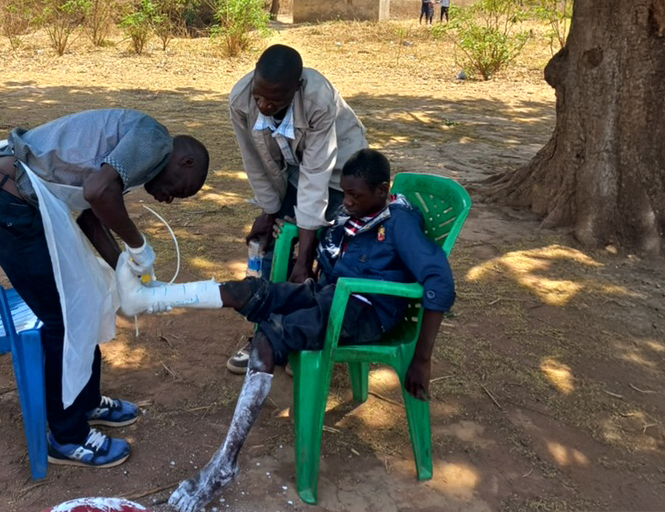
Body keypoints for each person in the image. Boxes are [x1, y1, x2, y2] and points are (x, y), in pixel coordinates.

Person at [166, 148, 456, 512]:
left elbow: (439, 284)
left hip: (361, 311)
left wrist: (422, 359)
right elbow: (329, 246)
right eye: (345, 193)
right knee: (249, 291)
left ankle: (225, 462)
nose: (346, 202)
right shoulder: (357, 214)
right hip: (329, 295)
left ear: (382, 191)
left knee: (267, 340)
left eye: (356, 196)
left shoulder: (398, 223)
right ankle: (154, 296)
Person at [0, 109, 209, 468]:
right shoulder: (154, 139)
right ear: (185, 160)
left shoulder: (134, 155)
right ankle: (67, 436)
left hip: (19, 200)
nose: (170, 199)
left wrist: (126, 271)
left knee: (90, 296)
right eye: (182, 189)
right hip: (8, 205)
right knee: (63, 319)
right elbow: (98, 192)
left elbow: (91, 214)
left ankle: (86, 400)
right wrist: (138, 245)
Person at [225, 44, 367, 373]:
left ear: (296, 88)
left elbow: (317, 177)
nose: (264, 105)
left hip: (339, 169)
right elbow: (255, 161)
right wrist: (269, 210)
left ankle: (304, 336)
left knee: (326, 252)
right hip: (295, 167)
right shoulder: (240, 100)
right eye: (260, 96)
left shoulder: (318, 97)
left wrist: (304, 258)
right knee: (275, 244)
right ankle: (266, 335)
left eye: (275, 99)